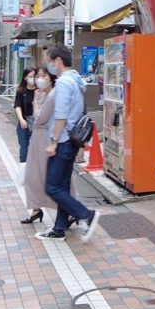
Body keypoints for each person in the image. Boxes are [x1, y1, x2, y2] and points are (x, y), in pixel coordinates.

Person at [35, 45, 101, 242]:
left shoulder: (64, 83)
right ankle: (59, 228)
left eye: (50, 61)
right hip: (71, 141)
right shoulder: (78, 80)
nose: (50, 66)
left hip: (63, 140)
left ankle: (86, 215)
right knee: (61, 185)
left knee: (52, 187)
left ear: (57, 62)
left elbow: (61, 115)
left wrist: (53, 141)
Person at [20, 67, 70, 224]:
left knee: (49, 176)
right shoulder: (42, 93)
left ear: (51, 78)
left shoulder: (52, 95)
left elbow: (39, 117)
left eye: (43, 76)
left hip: (46, 138)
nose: (39, 79)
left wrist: (35, 101)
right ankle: (36, 209)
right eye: (37, 76)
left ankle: (70, 209)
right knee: (33, 175)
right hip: (37, 138)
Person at [14, 69, 36, 163]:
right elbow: (17, 106)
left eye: (35, 76)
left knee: (36, 150)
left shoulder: (40, 90)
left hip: (37, 123)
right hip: (24, 122)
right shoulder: (21, 91)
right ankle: (23, 171)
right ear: (25, 78)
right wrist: (21, 119)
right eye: (30, 77)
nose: (33, 79)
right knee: (24, 149)